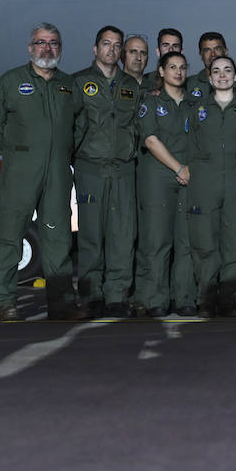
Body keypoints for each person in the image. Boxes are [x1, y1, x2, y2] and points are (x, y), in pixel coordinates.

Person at [0, 23, 88, 322]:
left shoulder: (68, 85)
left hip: (57, 170)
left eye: (53, 43)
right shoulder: (11, 81)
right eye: (40, 43)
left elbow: (80, 123)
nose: (47, 48)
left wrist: (65, 150)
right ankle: (2, 300)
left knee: (58, 237)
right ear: (30, 48)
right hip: (21, 170)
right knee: (9, 234)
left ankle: (62, 302)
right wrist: (15, 151)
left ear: (60, 49)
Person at [71, 25, 143, 317]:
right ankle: (91, 296)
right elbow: (72, 125)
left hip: (124, 169)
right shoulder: (79, 82)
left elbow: (137, 126)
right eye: (106, 44)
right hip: (91, 168)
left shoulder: (130, 85)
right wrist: (79, 157)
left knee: (123, 235)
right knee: (91, 235)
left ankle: (116, 295)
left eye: (117, 46)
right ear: (95, 49)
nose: (111, 50)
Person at [185, 55, 236, 317]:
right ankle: (205, 299)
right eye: (216, 71)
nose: (222, 75)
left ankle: (229, 300)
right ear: (209, 77)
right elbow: (190, 144)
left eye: (228, 70)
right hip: (206, 181)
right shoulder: (198, 108)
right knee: (205, 241)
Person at [132, 51, 198, 317]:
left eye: (182, 67)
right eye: (172, 67)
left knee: (185, 241)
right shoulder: (150, 101)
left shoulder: (195, 104)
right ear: (161, 71)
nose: (178, 72)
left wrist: (190, 169)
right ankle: (155, 298)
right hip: (159, 176)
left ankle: (184, 297)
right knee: (157, 240)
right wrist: (178, 167)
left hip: (189, 178)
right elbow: (150, 140)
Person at [188, 31, 228, 99]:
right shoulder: (189, 84)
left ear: (226, 51)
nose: (213, 54)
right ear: (201, 55)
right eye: (207, 50)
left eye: (217, 49)